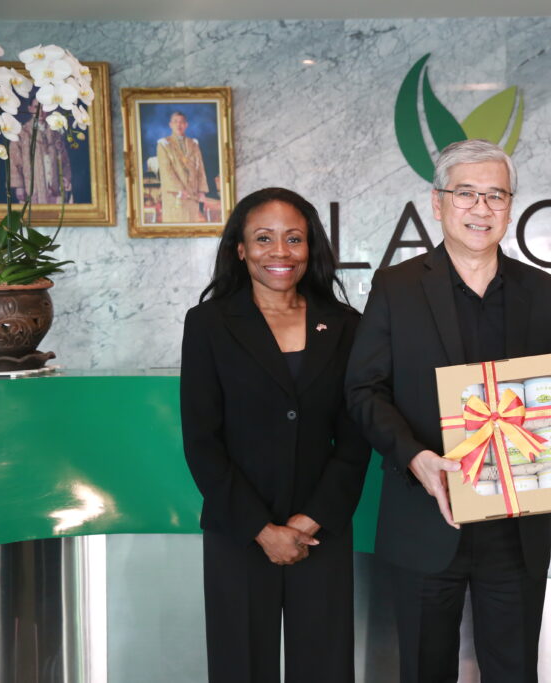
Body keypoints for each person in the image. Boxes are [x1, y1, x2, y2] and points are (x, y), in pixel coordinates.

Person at [345, 139, 551, 683]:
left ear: (510, 206)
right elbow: (363, 390)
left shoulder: (546, 292)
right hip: (425, 516)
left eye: (496, 195)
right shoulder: (397, 287)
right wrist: (415, 457)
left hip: (516, 528)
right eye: (466, 193)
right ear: (438, 202)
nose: (481, 208)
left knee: (515, 672)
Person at [180, 187, 370, 682]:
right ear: (240, 249)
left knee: (325, 668)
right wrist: (262, 530)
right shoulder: (208, 324)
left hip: (321, 530)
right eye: (264, 238)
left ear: (311, 247)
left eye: (294, 238)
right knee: (241, 667)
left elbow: (355, 441)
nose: (280, 252)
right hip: (239, 530)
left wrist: (308, 523)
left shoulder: (345, 325)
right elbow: (202, 440)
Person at [10, 101, 72, 205]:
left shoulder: (56, 133)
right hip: (32, 185)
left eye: (43, 108)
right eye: (36, 107)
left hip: (54, 185)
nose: (40, 112)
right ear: (30, 109)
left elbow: (64, 159)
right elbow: (15, 161)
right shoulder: (22, 133)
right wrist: (19, 186)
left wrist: (65, 178)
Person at [157, 110, 209, 222]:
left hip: (192, 193)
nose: (178, 125)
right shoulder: (164, 144)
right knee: (175, 225)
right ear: (170, 124)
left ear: (186, 125)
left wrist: (202, 191)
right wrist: (180, 189)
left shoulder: (193, 143)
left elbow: (200, 167)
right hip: (175, 194)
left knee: (192, 225)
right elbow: (166, 170)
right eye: (175, 121)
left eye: (181, 122)